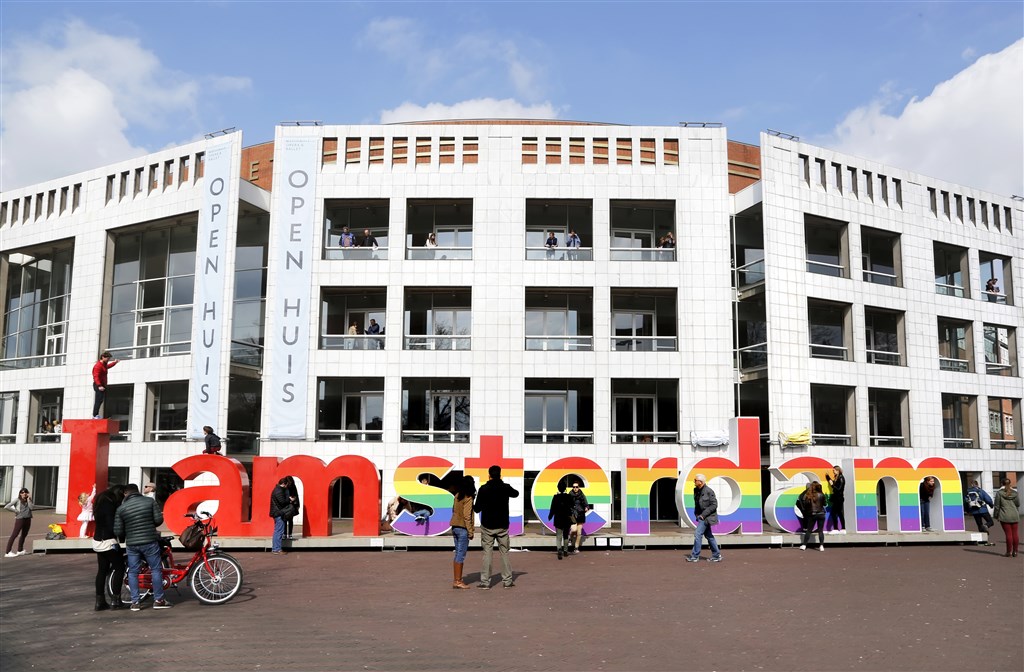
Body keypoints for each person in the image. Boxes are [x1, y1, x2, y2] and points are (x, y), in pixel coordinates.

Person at [113, 483, 172, 610]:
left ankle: (135, 602)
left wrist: (126, 534)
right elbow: (158, 520)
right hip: (150, 541)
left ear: (125, 493)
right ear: (137, 491)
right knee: (156, 570)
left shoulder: (121, 508)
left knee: (133, 572)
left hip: (132, 544)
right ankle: (159, 600)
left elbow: (118, 531)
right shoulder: (149, 502)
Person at [473, 465, 519, 589]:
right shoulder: (505, 488)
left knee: (487, 553)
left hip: (487, 525)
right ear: (500, 474)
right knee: (504, 553)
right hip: (502, 525)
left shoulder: (483, 489)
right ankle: (507, 580)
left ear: (489, 475)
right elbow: (516, 493)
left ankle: (485, 582)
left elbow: (477, 509)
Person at [92, 484, 126, 611]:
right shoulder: (110, 505)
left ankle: (99, 601)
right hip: (108, 541)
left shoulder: (100, 501)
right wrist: (122, 536)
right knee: (120, 567)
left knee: (102, 570)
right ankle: (116, 600)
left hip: (97, 540)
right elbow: (112, 526)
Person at [686, 474, 722, 563]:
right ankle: (716, 555)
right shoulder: (696, 490)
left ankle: (695, 556)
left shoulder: (709, 491)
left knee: (698, 534)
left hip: (706, 517)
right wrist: (697, 514)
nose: (694, 482)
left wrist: (703, 515)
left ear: (700, 482)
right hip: (701, 516)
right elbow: (697, 503)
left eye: (695, 480)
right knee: (709, 536)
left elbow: (714, 505)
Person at [449, 475, 476, 589]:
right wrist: (470, 531)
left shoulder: (457, 495)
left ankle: (457, 579)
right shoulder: (468, 497)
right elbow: (467, 516)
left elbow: (453, 510)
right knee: (461, 554)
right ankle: (458, 581)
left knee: (457, 553)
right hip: (463, 528)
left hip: (454, 526)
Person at [992, 479, 1020, 557]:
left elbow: (997, 506)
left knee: (1008, 534)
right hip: (1014, 514)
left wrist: (996, 515)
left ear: (1001, 483)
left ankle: (1009, 552)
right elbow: (1018, 504)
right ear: (1010, 483)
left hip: (1004, 515)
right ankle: (1015, 551)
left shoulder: (999, 493)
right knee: (1015, 534)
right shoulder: (1015, 493)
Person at [270, 476, 297, 554]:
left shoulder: (277, 489)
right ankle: (277, 549)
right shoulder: (279, 490)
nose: (287, 486)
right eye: (286, 485)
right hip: (279, 513)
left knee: (277, 531)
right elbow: (282, 502)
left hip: (277, 513)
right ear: (284, 484)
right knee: (279, 531)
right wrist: (290, 499)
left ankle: (276, 548)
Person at [4, 488, 35, 557]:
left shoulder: (28, 500)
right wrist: (15, 511)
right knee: (14, 534)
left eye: (26, 492)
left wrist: (29, 500)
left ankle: (20, 550)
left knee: (24, 534)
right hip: (20, 519)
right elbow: (7, 506)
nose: (24, 494)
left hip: (28, 519)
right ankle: (8, 552)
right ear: (20, 493)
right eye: (22, 492)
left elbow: (31, 508)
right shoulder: (17, 500)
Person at [547, 482, 574, 559]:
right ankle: (565, 551)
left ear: (558, 488)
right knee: (566, 535)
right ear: (565, 488)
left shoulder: (556, 497)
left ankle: (559, 550)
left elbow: (552, 508)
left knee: (559, 536)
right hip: (567, 519)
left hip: (558, 519)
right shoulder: (569, 497)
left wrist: (550, 516)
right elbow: (572, 506)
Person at [964, 480, 995, 544]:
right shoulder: (980, 491)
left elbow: (965, 502)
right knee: (990, 522)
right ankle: (986, 526)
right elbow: (988, 499)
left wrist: (967, 510)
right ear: (977, 484)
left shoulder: (967, 493)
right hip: (983, 510)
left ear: (971, 485)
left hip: (974, 511)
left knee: (979, 525)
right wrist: (991, 505)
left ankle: (982, 540)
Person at [799, 481, 827, 551]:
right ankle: (821, 546)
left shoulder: (809, 495)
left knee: (809, 530)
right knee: (820, 530)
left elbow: (805, 504)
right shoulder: (821, 494)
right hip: (821, 514)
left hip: (812, 514)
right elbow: (824, 504)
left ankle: (804, 545)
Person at [91, 351, 119, 419]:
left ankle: (96, 415)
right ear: (103, 357)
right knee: (98, 400)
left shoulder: (104, 365)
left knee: (101, 400)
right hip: (98, 385)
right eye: (107, 359)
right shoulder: (98, 366)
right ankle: (95, 415)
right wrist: (99, 385)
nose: (108, 360)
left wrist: (115, 362)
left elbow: (108, 366)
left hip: (102, 385)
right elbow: (96, 376)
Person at [568, 480, 590, 554]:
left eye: (576, 487)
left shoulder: (582, 495)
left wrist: (586, 507)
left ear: (579, 487)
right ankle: (570, 538)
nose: (575, 488)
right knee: (574, 529)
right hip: (573, 514)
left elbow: (586, 504)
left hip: (580, 514)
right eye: (574, 487)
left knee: (579, 533)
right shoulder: (570, 495)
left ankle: (576, 547)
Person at [825, 465, 846, 533]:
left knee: (835, 513)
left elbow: (838, 488)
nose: (833, 472)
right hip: (837, 498)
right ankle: (843, 529)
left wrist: (832, 485)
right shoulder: (837, 477)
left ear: (837, 470)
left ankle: (836, 529)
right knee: (839, 513)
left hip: (839, 498)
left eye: (834, 470)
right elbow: (834, 485)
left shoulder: (841, 478)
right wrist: (828, 477)